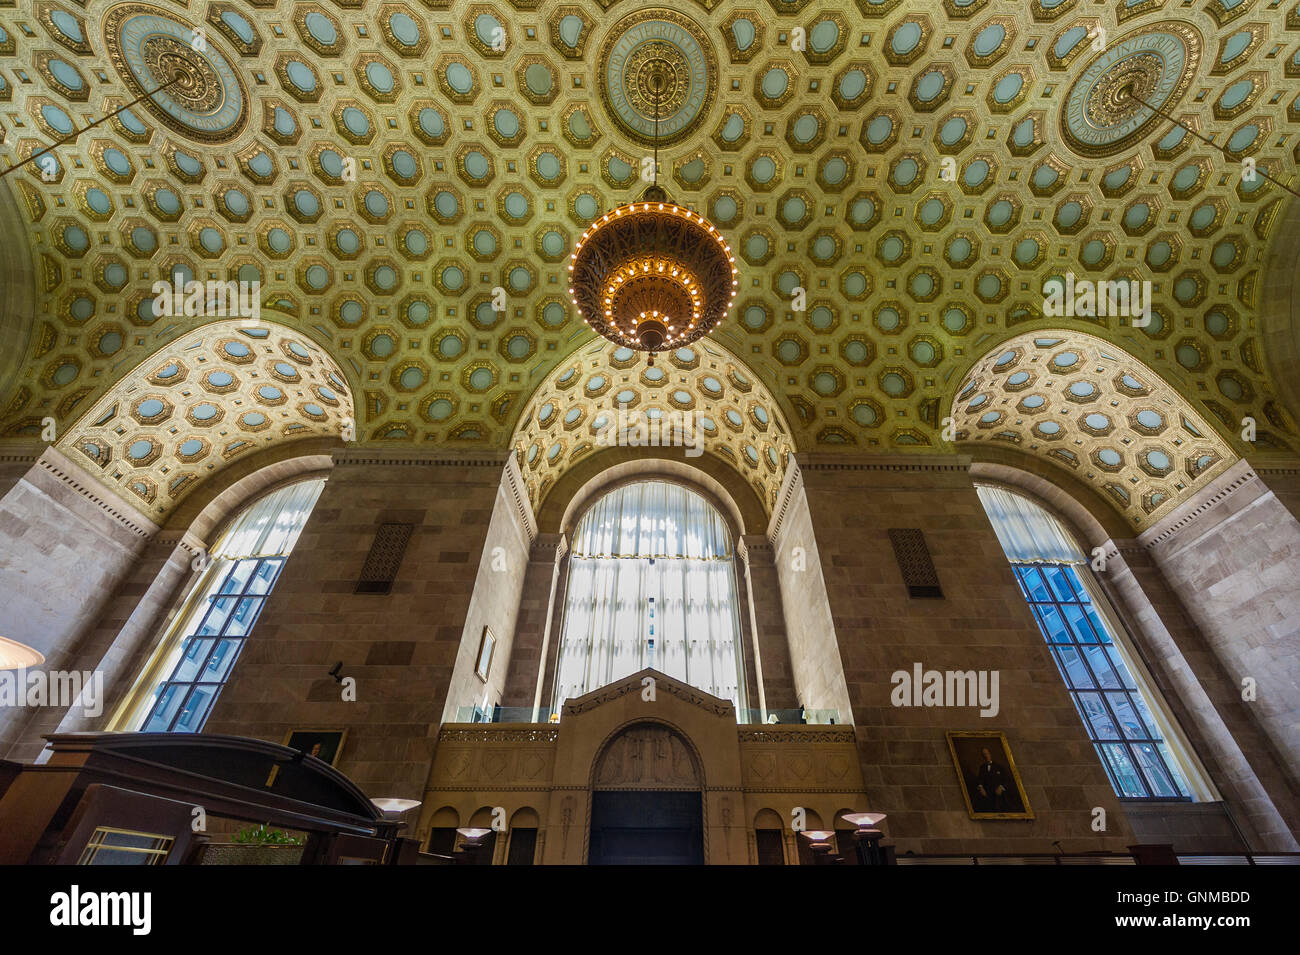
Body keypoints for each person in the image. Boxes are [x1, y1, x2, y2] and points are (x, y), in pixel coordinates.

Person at [974, 746, 1012, 811]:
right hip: (986, 795)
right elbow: (980, 780)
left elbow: (1007, 779)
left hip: (998, 795)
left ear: (990, 754)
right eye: (984, 755)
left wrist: (1001, 787)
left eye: (987, 754)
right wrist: (981, 788)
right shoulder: (982, 767)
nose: (986, 756)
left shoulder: (999, 767)